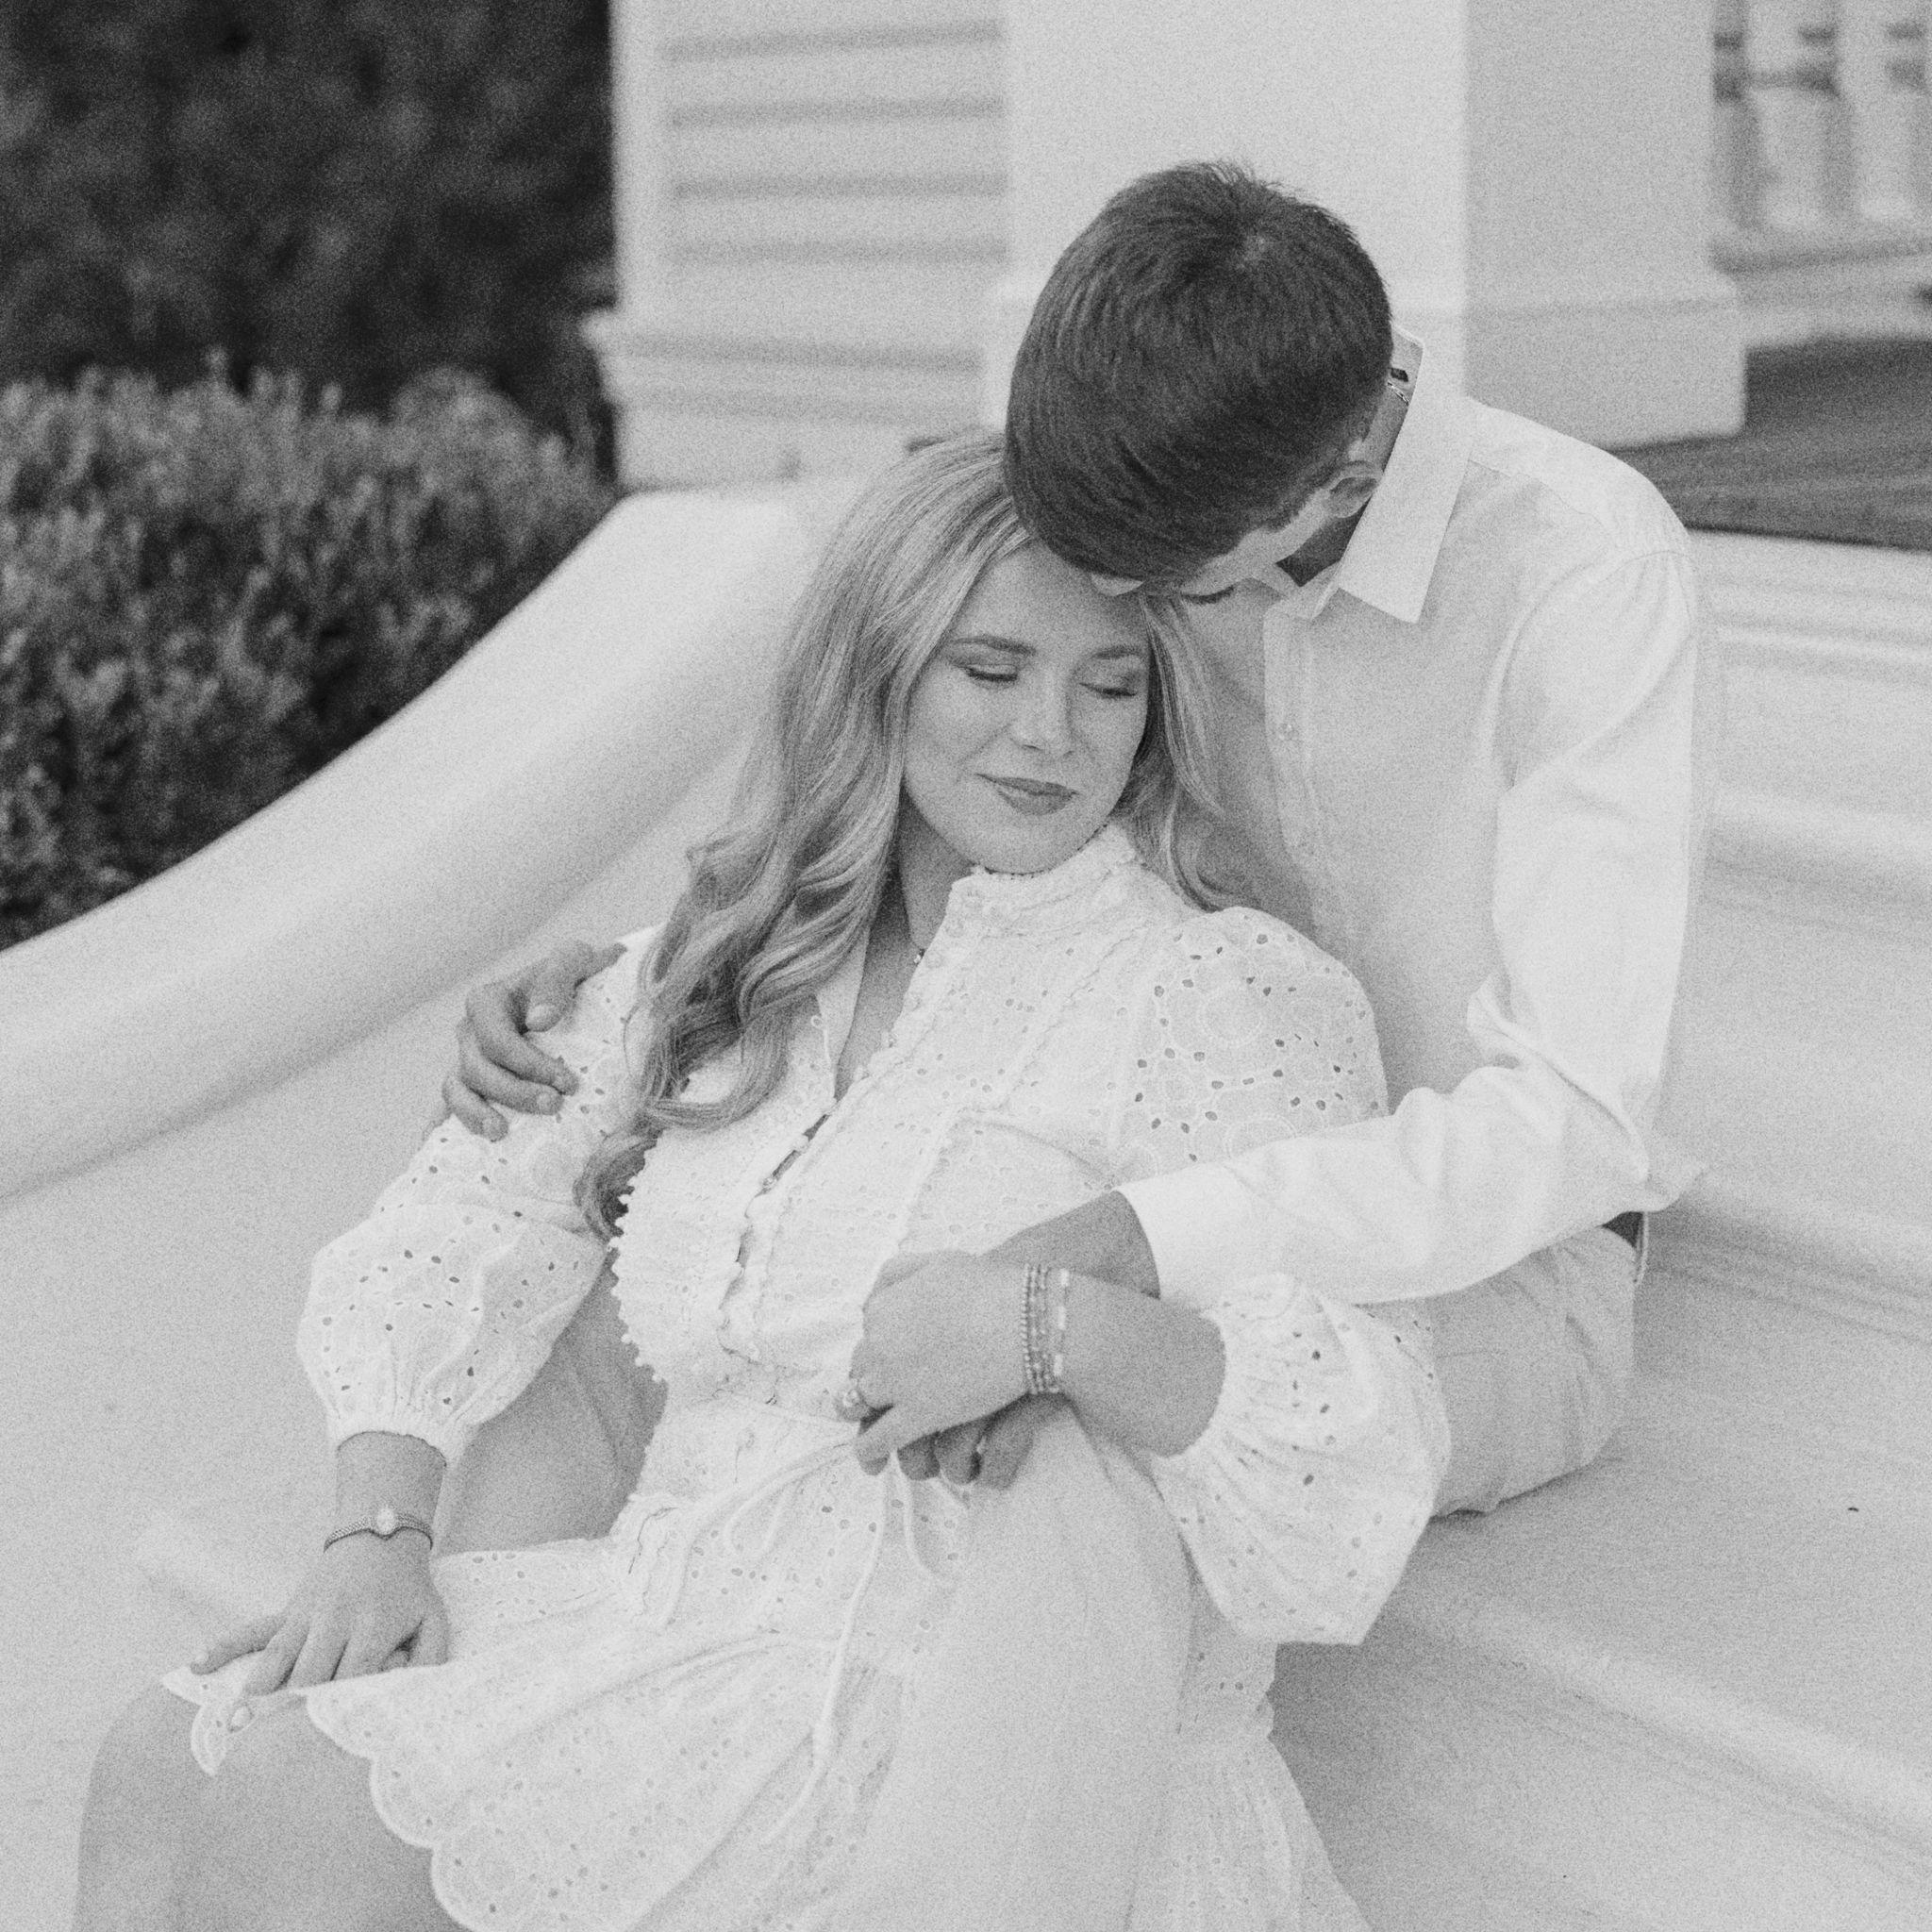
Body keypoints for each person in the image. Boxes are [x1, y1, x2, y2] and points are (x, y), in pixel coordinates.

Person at [74, 432, 1447, 1932]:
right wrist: (379, 1531)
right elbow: (460, 1220)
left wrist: (1053, 1330)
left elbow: (1356, 1450)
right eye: (990, 670)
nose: (1049, 735)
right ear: (878, 672)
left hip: (936, 1701)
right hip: (670, 1617)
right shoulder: (740, 964)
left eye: (1108, 686)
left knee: (308, 1801)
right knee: (164, 1752)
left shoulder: (1218, 991)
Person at [454, 160, 1714, 1518]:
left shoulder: (1584, 569)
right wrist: (653, 981)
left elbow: (1578, 1122)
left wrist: (1125, 1251)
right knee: (690, 1276)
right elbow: (929, 763)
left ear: (1343, 475)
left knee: (1071, 1411)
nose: (1110, 614)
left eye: (1158, 596)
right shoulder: (1146, 475)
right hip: (1125, 1173)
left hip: (1478, 1277)